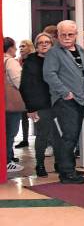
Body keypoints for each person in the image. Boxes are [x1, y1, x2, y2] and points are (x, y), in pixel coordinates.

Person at [43, 20, 84, 184]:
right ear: (57, 35)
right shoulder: (54, 53)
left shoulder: (79, 49)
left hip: (80, 100)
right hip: (65, 101)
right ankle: (66, 173)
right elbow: (49, 74)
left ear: (76, 35)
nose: (66, 37)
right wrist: (65, 93)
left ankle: (69, 167)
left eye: (70, 34)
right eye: (63, 34)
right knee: (68, 137)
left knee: (73, 136)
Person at [19, 33, 55, 177]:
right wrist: (30, 108)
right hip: (41, 104)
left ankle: (61, 163)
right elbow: (24, 86)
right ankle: (40, 164)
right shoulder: (31, 61)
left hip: (58, 102)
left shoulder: (57, 59)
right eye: (41, 43)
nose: (44, 44)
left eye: (47, 42)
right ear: (36, 46)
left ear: (52, 44)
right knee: (43, 135)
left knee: (59, 136)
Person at [4, 37, 24, 172]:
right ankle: (8, 161)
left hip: (3, 103)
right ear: (10, 48)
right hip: (10, 103)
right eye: (15, 46)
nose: (16, 49)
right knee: (10, 132)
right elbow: (20, 82)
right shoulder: (10, 61)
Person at [15, 39, 35, 149]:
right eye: (19, 47)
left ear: (29, 47)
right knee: (24, 117)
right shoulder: (18, 61)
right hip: (22, 93)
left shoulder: (33, 59)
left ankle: (44, 140)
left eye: (23, 46)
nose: (21, 48)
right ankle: (25, 139)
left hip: (33, 93)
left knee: (36, 117)